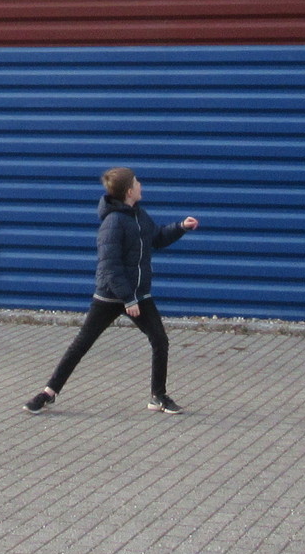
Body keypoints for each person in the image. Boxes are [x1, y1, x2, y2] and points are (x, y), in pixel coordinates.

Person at [26, 166, 199, 415]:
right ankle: (48, 394)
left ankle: (158, 396)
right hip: (111, 295)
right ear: (129, 191)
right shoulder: (113, 222)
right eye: (137, 182)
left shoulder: (139, 215)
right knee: (82, 344)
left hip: (138, 294)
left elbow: (157, 238)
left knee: (160, 340)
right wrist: (128, 298)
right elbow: (109, 265)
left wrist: (181, 226)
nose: (140, 185)